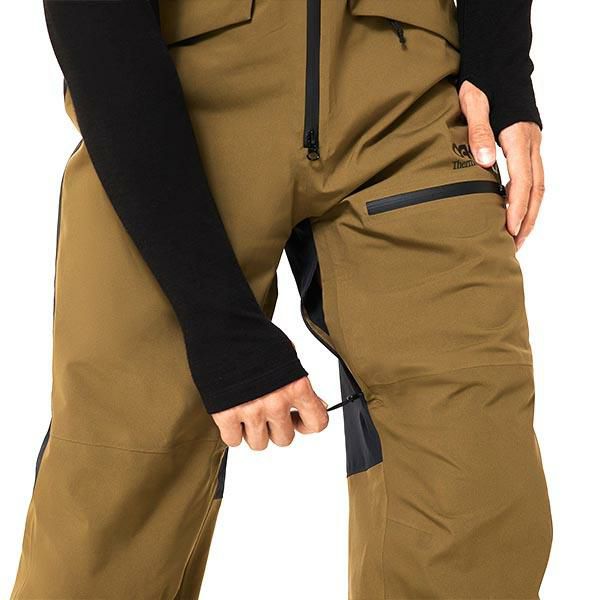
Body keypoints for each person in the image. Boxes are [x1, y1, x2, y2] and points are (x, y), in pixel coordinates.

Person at [11, 1, 551, 598]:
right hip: (171, 94)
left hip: (410, 96)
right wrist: (220, 326)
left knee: (476, 482)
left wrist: (501, 69)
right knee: (117, 488)